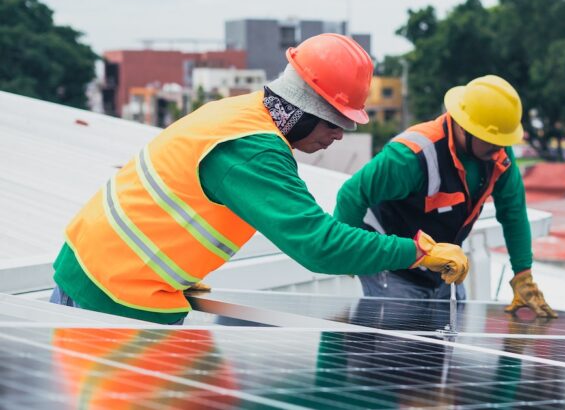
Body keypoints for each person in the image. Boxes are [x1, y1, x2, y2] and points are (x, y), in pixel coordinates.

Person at [49, 33, 468, 324]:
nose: (339, 135)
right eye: (336, 122)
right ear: (306, 107)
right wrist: (416, 252)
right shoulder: (253, 150)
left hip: (105, 272)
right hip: (112, 293)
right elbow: (318, 246)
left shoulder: (240, 113)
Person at [334, 74, 556, 318]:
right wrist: (348, 254)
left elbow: (513, 213)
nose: (499, 149)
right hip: (394, 266)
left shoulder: (498, 156)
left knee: (444, 341)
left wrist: (523, 275)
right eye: (492, 141)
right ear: (464, 127)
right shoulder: (411, 155)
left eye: (502, 142)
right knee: (399, 343)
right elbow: (352, 194)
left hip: (444, 266)